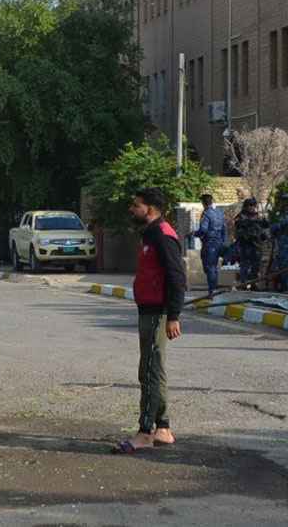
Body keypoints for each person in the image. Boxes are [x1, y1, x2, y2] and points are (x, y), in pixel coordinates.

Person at [114, 187, 186, 454]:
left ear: (151, 209)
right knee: (156, 370)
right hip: (148, 310)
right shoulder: (150, 233)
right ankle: (163, 428)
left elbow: (177, 278)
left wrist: (174, 316)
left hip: (158, 313)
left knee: (149, 372)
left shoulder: (162, 236)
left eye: (136, 205)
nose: (132, 209)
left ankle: (144, 433)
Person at [196, 193, 227, 296]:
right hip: (218, 243)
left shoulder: (206, 213)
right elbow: (224, 229)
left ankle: (212, 290)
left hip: (209, 244)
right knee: (213, 266)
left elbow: (203, 230)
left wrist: (194, 234)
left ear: (203, 203)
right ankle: (214, 288)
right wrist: (223, 242)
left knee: (209, 267)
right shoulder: (220, 213)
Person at [234, 199, 269, 289]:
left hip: (256, 245)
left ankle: (254, 283)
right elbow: (239, 224)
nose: (252, 208)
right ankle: (243, 284)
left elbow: (264, 226)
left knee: (256, 266)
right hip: (245, 245)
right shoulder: (241, 216)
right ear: (246, 207)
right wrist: (252, 222)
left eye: (253, 205)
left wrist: (264, 227)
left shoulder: (258, 217)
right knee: (245, 265)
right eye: (250, 205)